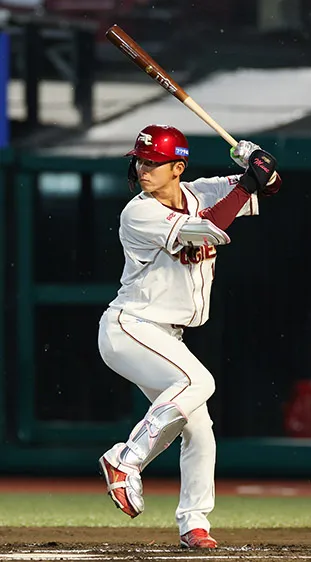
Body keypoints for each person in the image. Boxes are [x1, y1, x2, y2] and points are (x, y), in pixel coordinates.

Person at [97, 125, 281, 549]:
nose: (143, 169)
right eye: (140, 160)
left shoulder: (202, 189)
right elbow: (211, 228)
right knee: (200, 383)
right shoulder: (137, 212)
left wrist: (260, 166)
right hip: (131, 326)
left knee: (199, 426)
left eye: (154, 162)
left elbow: (267, 187)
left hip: (165, 335)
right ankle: (125, 460)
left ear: (177, 167)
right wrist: (250, 181)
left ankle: (194, 523)